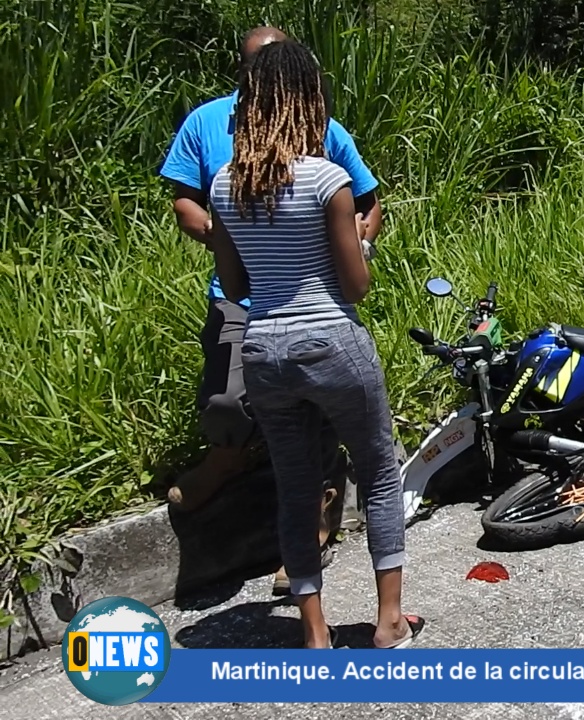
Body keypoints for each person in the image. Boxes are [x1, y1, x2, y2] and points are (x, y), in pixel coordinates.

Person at [203, 38, 423, 649]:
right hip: (330, 338)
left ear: (252, 102)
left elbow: (239, 282)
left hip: (263, 346)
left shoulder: (224, 185)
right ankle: (387, 623)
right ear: (308, 101)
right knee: (379, 473)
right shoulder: (328, 179)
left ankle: (314, 631)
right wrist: (358, 242)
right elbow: (356, 284)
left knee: (296, 486)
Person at [159, 26, 383, 593]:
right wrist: (229, 233)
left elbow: (366, 202)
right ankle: (227, 460)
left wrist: (353, 239)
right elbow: (186, 202)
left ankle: (314, 532)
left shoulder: (323, 138)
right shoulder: (209, 128)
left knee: (317, 431)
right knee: (229, 399)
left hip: (307, 307)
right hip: (259, 310)